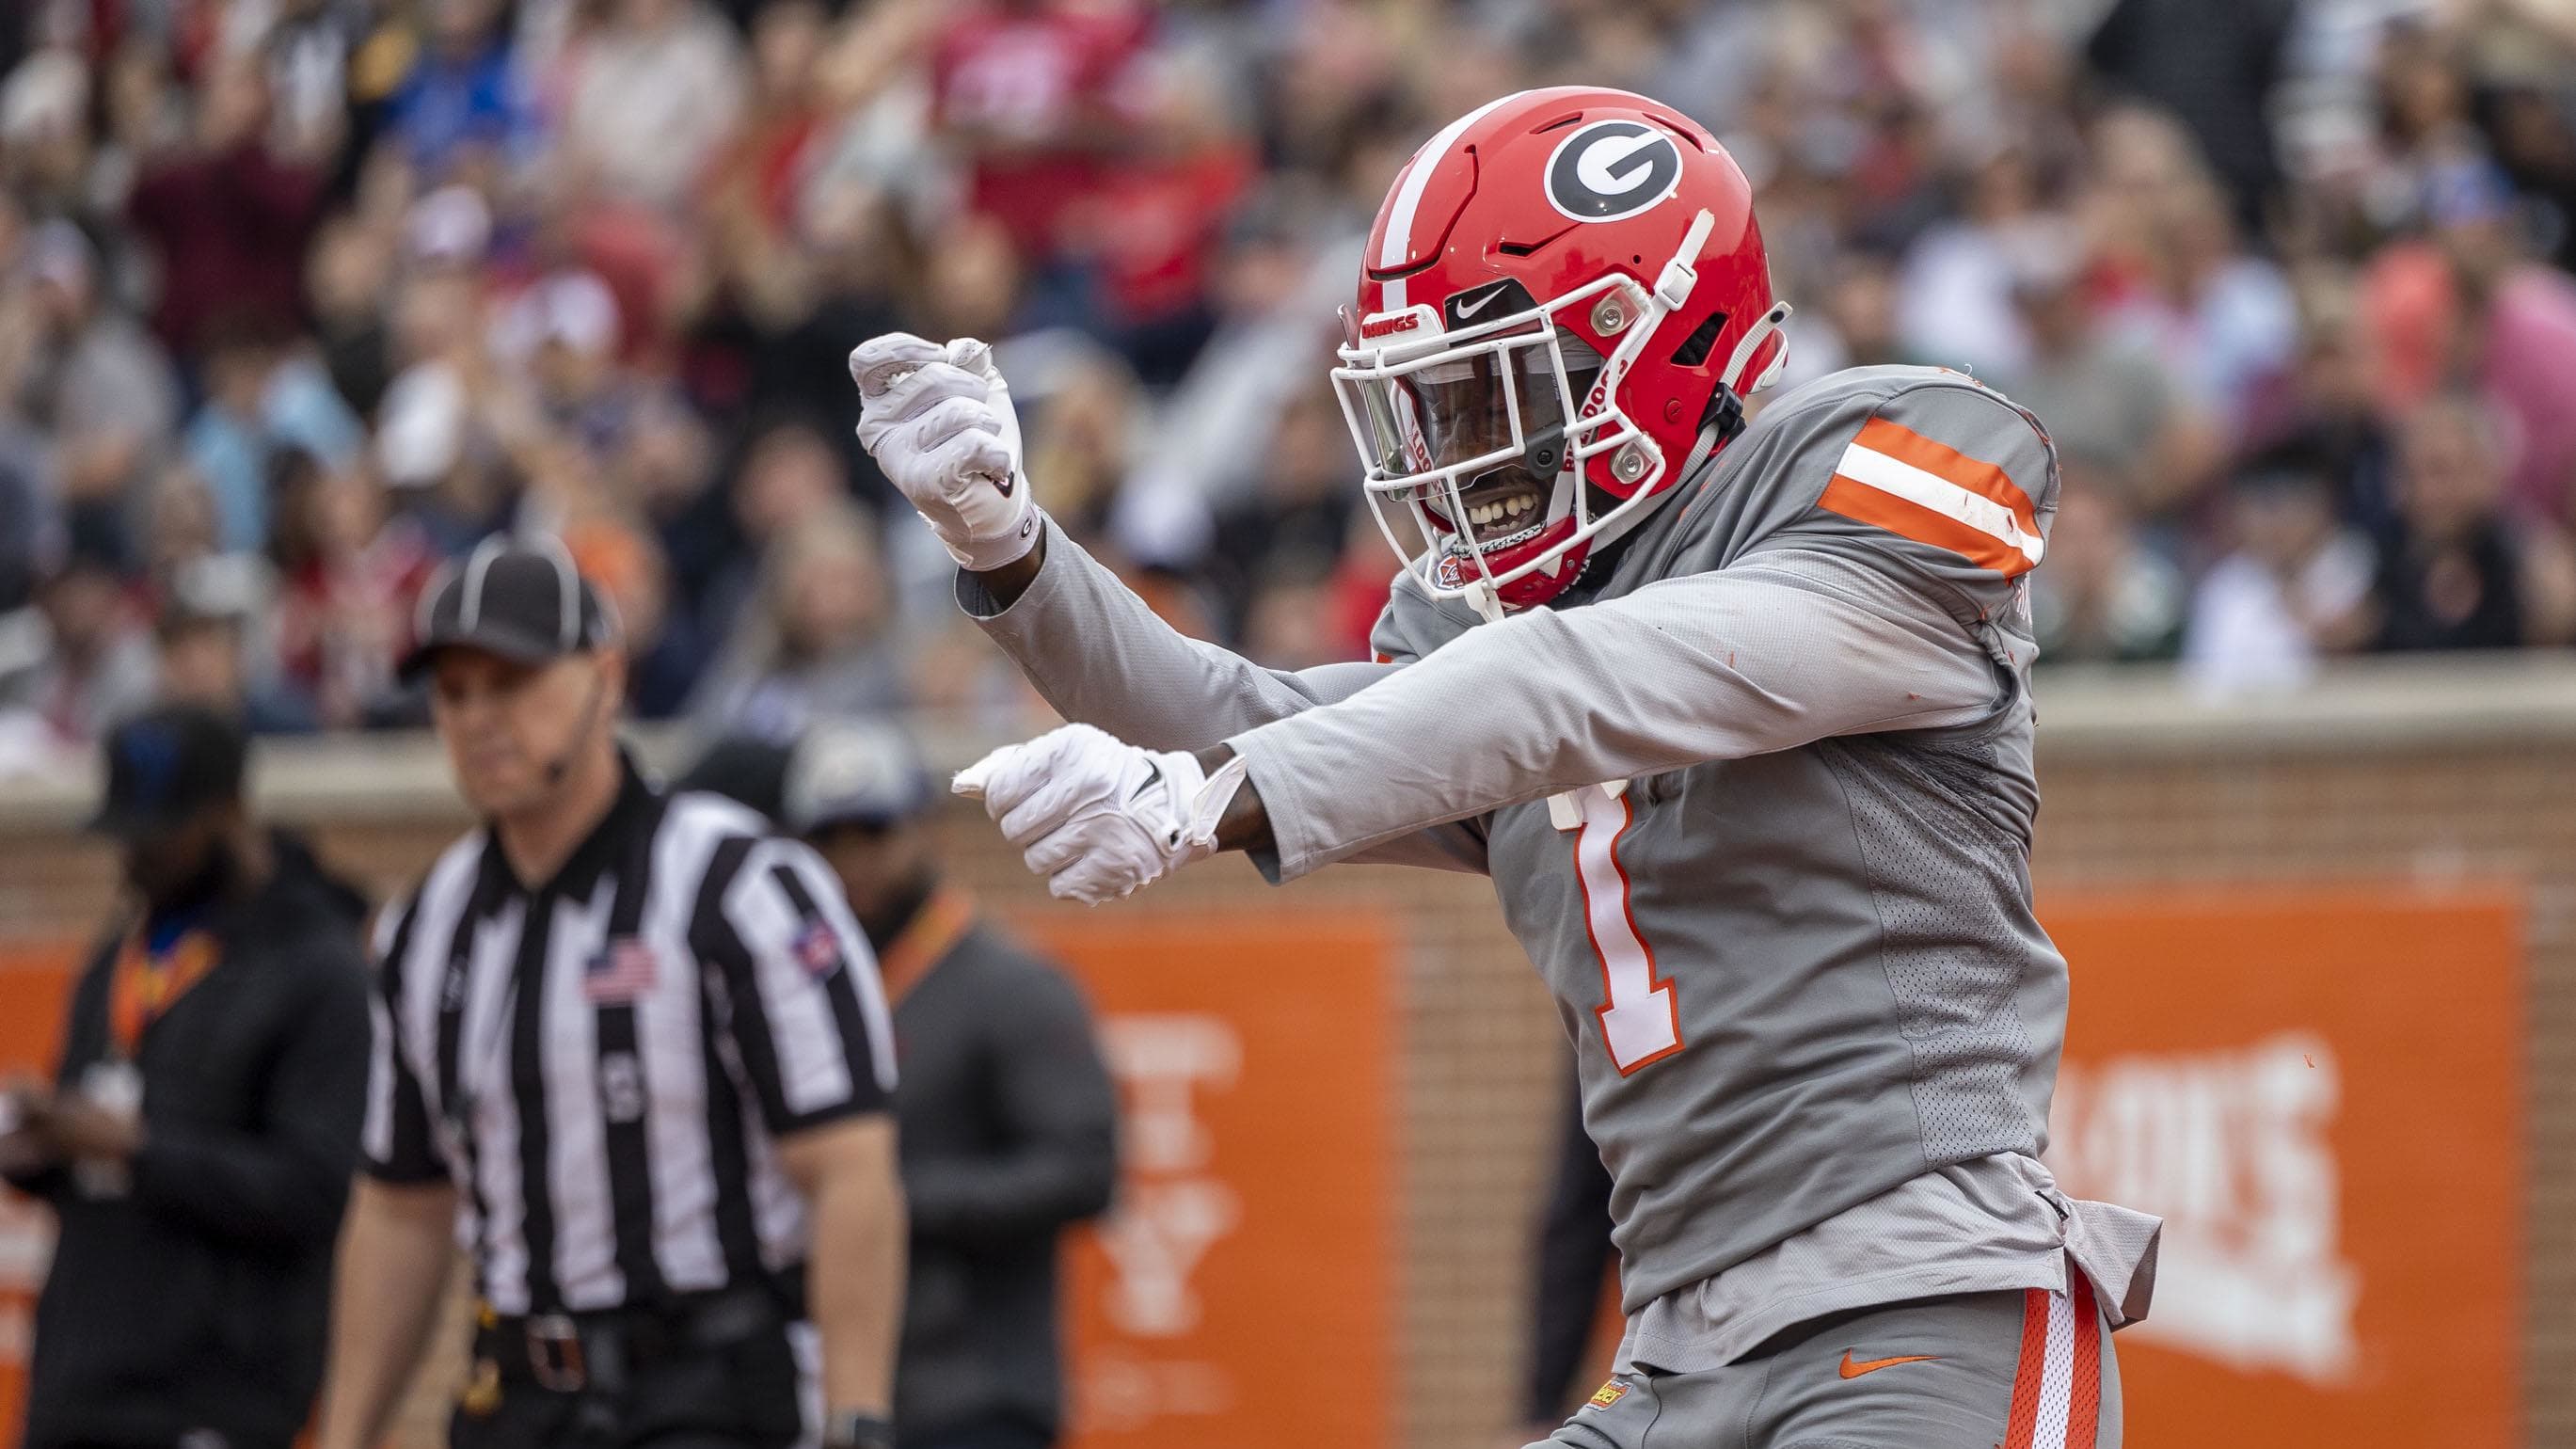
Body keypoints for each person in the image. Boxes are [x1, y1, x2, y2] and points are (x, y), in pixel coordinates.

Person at [852, 88, 2161, 1448]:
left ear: (1655, 345)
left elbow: (1576, 686)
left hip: (1920, 1302)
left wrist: (1213, 801)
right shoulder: (1500, 638)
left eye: (1487, 388)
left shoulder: (1877, 478)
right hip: (1670, 1344)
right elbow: (1232, 711)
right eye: (1425, 404)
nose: (1452, 451)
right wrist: (1013, 549)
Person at [314, 536, 907, 1449]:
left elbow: (849, 1165)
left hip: (705, 1386)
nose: (477, 718)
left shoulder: (736, 883)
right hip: (514, 1393)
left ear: (606, 677)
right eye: (453, 691)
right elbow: (401, 1205)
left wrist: (857, 1421)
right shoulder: (426, 926)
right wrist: (347, 1434)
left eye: (510, 681)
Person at [686, 722, 1119, 1449]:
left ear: (929, 831)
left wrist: (886, 1201)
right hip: (818, 1386)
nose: (852, 860)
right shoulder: (794, 989)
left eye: (874, 832)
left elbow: (1084, 1170)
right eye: (828, 838)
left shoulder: (1011, 986)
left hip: (975, 1389)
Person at [4, 703, 372, 1449]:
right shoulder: (123, 950)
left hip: (214, 1398)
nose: (133, 858)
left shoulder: (317, 968)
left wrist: (135, 1148)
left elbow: (315, 1190)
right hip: (79, 1385)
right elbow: (92, 1146)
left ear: (229, 813)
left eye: (157, 836)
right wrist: (40, 1148)